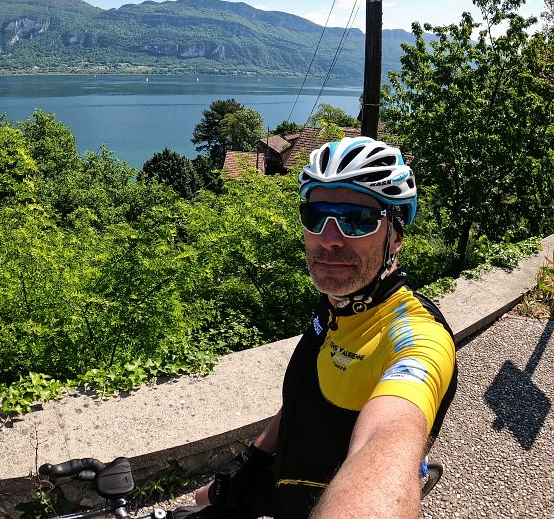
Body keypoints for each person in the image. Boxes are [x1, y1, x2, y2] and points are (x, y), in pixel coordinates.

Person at [190, 136, 457, 519]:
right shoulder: (337, 306)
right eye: (316, 216)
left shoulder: (417, 336)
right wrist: (252, 459)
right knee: (199, 501)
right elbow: (304, 396)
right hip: (283, 488)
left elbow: (390, 432)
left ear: (395, 235)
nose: (329, 239)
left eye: (358, 219)